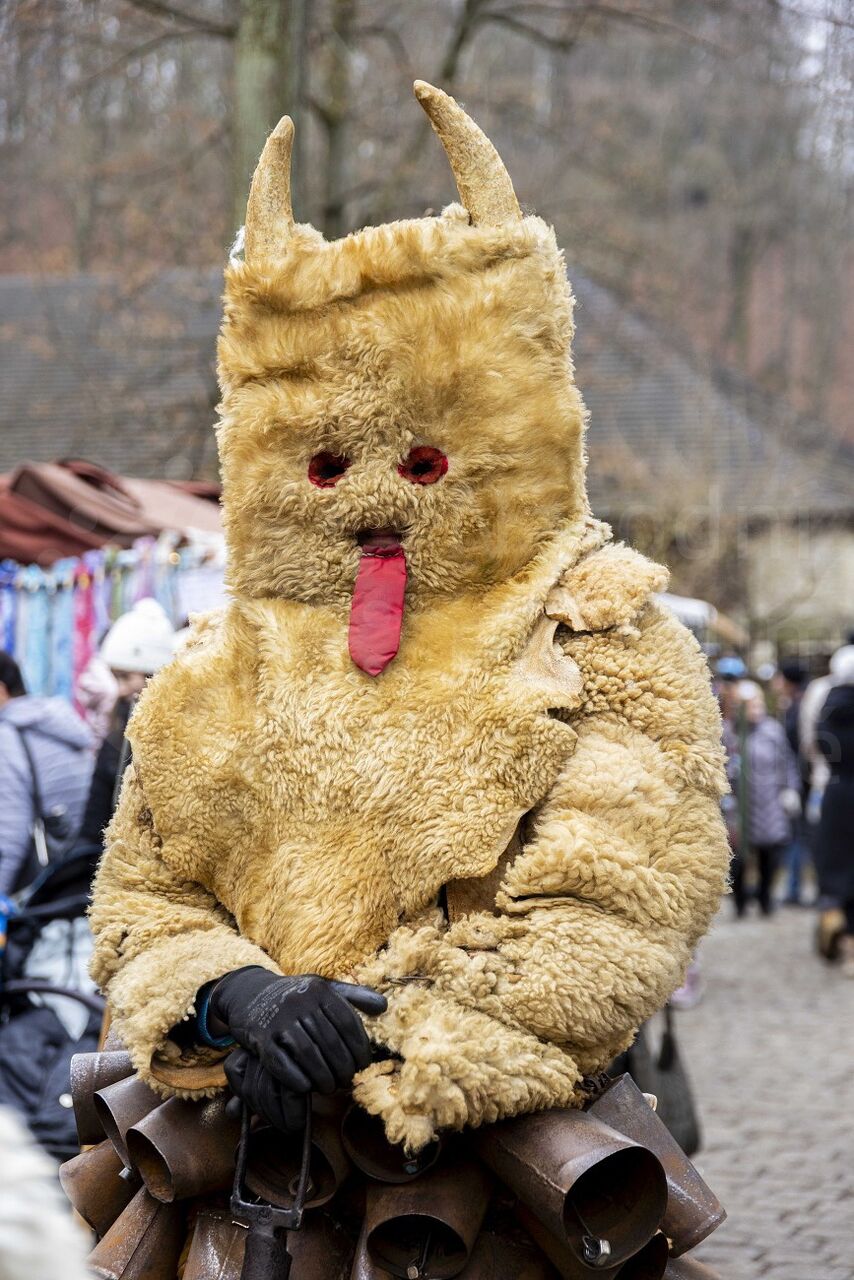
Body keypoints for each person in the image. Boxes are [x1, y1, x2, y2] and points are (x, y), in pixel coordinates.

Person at [82, 84, 730, 1268]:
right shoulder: (210, 666)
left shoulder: (600, 633)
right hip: (244, 1188)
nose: (377, 491)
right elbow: (138, 900)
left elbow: (612, 905)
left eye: (425, 460)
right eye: (328, 465)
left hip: (486, 1196)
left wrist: (373, 1038)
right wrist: (234, 999)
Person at [0, 652, 92, 896]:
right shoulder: (54, 718)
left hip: (49, 880)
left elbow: (9, 834)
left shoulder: (6, 737)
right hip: (83, 865)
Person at [724, 680, 801, 917]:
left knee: (770, 854)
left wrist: (791, 790)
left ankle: (765, 899)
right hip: (739, 805)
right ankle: (740, 901)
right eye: (750, 705)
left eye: (758, 703)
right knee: (738, 856)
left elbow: (787, 762)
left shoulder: (772, 730)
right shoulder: (729, 732)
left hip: (770, 802)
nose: (756, 709)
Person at [75, 597, 176, 749]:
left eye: (125, 677)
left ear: (153, 676)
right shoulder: (117, 720)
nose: (120, 689)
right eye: (115, 677)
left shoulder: (174, 733)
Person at [814, 646, 854, 977]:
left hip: (836, 791)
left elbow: (811, 743)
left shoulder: (825, 702)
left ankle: (844, 941)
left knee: (839, 868)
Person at [773, 658, 812, 904]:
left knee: (800, 835)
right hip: (801, 779)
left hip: (802, 781)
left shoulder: (799, 706)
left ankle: (795, 889)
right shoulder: (796, 703)